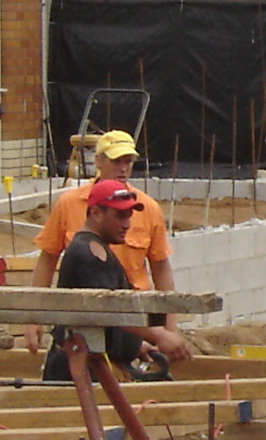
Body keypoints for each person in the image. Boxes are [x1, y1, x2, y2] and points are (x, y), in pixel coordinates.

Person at [25, 130, 190, 367]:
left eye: (128, 161)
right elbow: (105, 302)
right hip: (93, 332)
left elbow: (161, 270)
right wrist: (33, 317)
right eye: (116, 161)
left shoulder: (147, 208)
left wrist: (167, 331)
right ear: (99, 161)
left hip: (130, 327)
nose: (123, 168)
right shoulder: (81, 235)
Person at [43, 179, 150, 376]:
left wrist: (133, 344)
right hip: (79, 368)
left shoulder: (94, 248)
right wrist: (161, 337)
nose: (127, 224)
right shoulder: (91, 253)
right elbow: (111, 308)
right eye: (119, 216)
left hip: (87, 363)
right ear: (96, 213)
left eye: (129, 216)